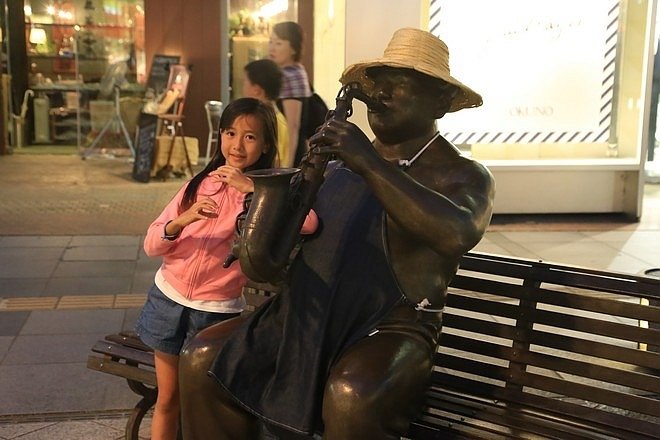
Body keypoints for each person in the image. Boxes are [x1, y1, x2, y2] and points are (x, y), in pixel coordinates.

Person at [179, 28, 496, 439]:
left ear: (438, 100)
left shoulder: (463, 174)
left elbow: (456, 233)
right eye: (376, 87)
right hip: (307, 312)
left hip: (391, 327)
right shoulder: (338, 164)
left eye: (397, 87)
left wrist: (367, 161)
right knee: (202, 358)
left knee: (351, 395)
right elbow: (278, 257)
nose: (379, 97)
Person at [135, 97, 318, 440]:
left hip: (214, 313)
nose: (237, 144)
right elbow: (151, 244)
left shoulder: (266, 188)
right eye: (231, 133)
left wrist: (254, 189)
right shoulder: (200, 183)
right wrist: (182, 221)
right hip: (168, 302)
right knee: (169, 398)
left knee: (199, 403)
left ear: (265, 145)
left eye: (250, 137)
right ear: (220, 135)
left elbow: (308, 222)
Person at [269, 21, 312, 168]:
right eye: (271, 42)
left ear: (293, 48)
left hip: (292, 154)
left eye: (279, 43)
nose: (272, 47)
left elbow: (293, 126)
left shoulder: (289, 75)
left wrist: (287, 167)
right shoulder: (296, 70)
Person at [242, 58, 290, 167]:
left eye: (245, 82)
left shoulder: (272, 121)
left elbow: (276, 160)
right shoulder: (274, 117)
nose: (243, 87)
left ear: (256, 90)